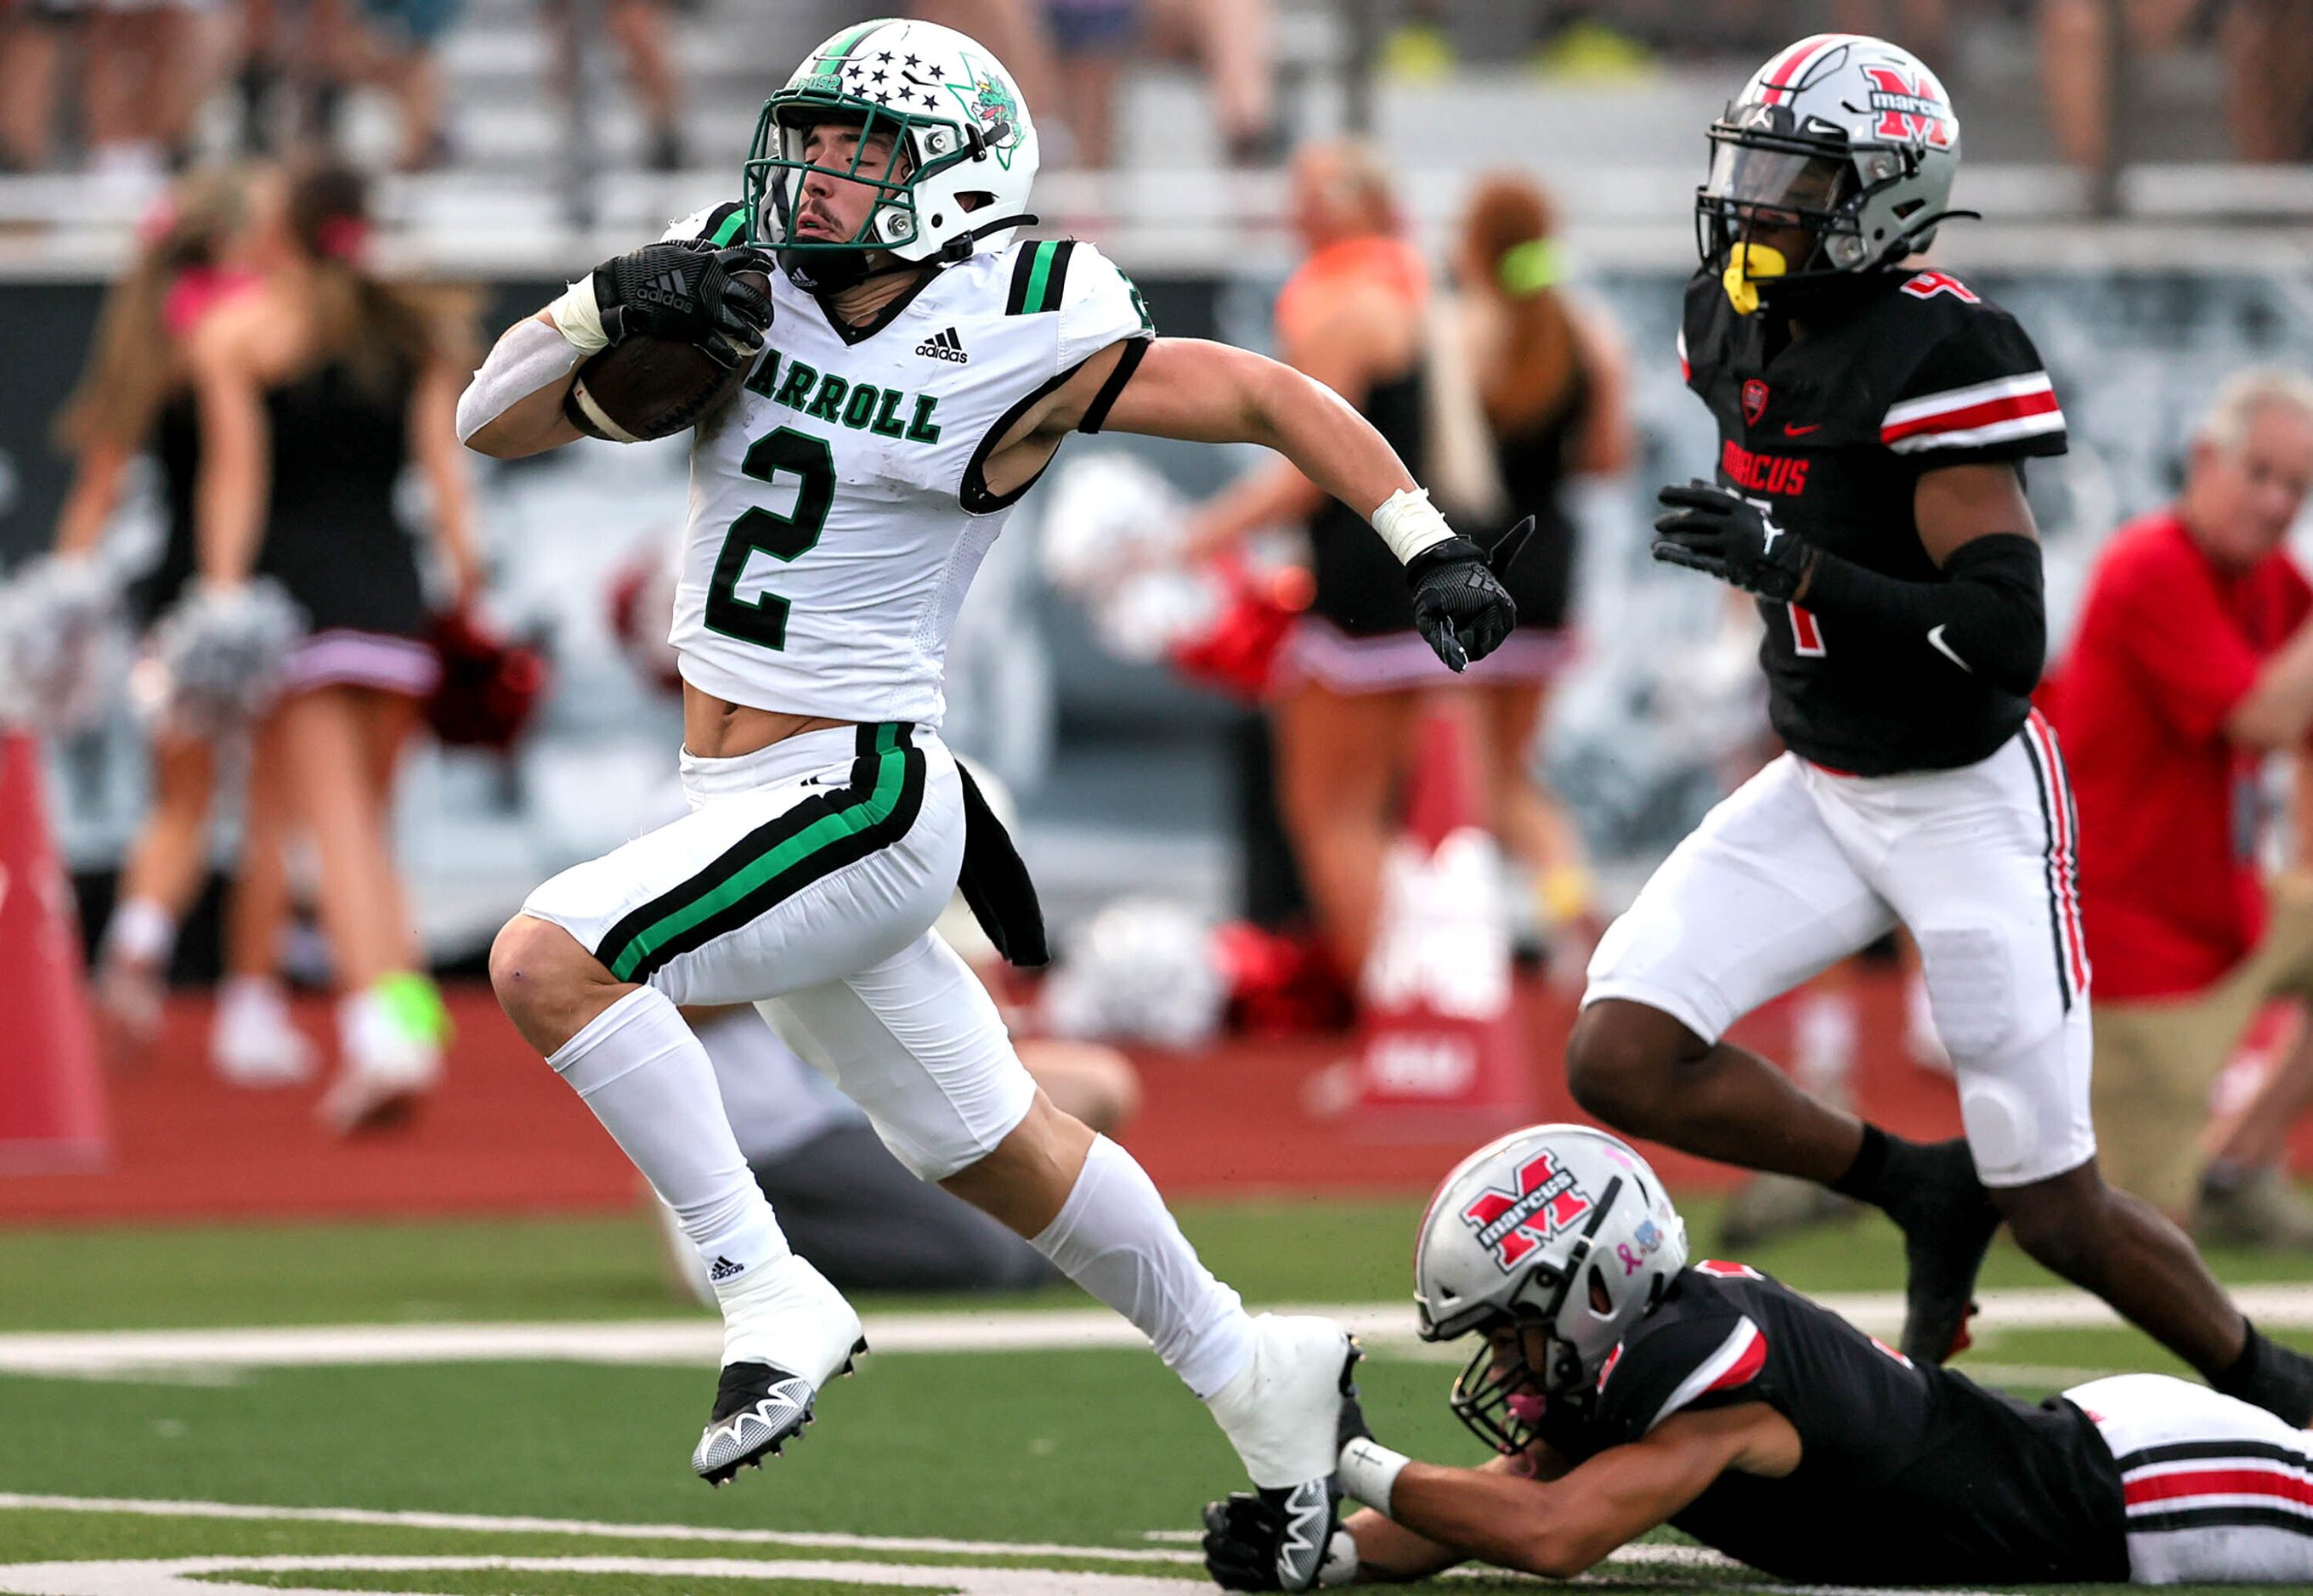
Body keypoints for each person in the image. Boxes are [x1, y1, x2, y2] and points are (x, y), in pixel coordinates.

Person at [455, 20, 1517, 1588]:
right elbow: (497, 418)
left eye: (861, 152)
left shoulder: (1021, 314)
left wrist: (1421, 534)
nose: (817, 174)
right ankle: (1257, 1375)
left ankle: (767, 1288)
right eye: (810, 139)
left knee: (549, 957)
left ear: (953, 180)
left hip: (865, 782)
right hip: (744, 787)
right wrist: (603, 304)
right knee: (986, 1143)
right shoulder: (743, 264)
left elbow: (1263, 396)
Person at [1559, 31, 2313, 1427]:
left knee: (2059, 1206)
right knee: (1617, 1050)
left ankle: (2276, 1384)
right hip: (1823, 776)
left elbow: (2002, 632)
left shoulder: (1938, 348)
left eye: (1791, 176)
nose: (1753, 201)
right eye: (1751, 166)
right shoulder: (1725, 316)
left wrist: (1793, 568)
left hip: (1964, 795)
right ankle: (1907, 1179)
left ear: (1883, 196)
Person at [1201, 1123, 2313, 1590]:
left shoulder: (1703, 1364)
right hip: (2096, 1447)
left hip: (2153, 1491)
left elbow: (1553, 1535)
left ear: (1590, 1285)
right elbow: (1514, 1491)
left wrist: (1342, 1452)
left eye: (1508, 1323)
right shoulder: (1646, 1338)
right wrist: (1339, 1554)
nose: (1505, 1356)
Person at [1183, 144, 1543, 988]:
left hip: (1357, 594)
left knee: (1331, 815)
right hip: (1406, 587)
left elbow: (1312, 464)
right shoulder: (1409, 290)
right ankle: (1435, 999)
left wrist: (1197, 536)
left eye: (1311, 195)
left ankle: (1395, 1021)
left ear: (1357, 206)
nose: (1293, 212)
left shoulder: (1344, 302)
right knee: (1405, 813)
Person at [192, 160, 482, 1132]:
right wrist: (466, 584)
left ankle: (382, 1034)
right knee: (366, 833)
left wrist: (222, 595)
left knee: (340, 832)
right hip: (393, 600)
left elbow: (233, 481)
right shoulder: (411, 331)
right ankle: (406, 1011)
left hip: (300, 605)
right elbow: (446, 479)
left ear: (287, 228)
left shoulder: (237, 333)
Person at [54, 167, 310, 1086]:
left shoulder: (147, 338)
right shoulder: (262, 326)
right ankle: (250, 1006)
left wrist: (62, 607)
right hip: (264, 589)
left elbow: (95, 490)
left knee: (181, 802)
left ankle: (135, 941)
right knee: (272, 810)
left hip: (168, 602)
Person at [2055, 368, 2313, 1244]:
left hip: (2228, 912)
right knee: (2141, 1243)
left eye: (2296, 488)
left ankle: (2239, 1162)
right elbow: (2260, 716)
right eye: (2262, 474)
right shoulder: (2148, 567)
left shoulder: (2272, 582)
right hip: (2137, 949)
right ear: (2206, 459)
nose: (2279, 504)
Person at [1451, 170, 1629, 959]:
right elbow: (1605, 459)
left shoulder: (1462, 332)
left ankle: (1564, 905)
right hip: (1550, 567)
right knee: (1506, 774)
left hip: (1470, 568)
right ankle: (1560, 905)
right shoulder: (1586, 333)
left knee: (1482, 781)